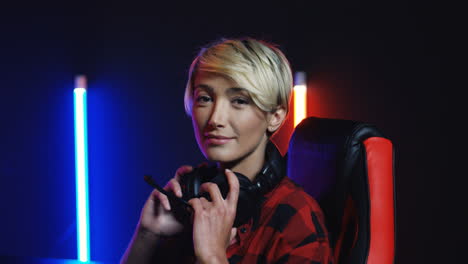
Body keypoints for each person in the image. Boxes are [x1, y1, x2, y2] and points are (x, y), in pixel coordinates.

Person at [121, 38, 334, 263]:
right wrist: (147, 235)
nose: (215, 119)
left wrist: (212, 257)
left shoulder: (296, 218)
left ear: (275, 116)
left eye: (239, 101)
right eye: (204, 98)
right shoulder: (191, 198)